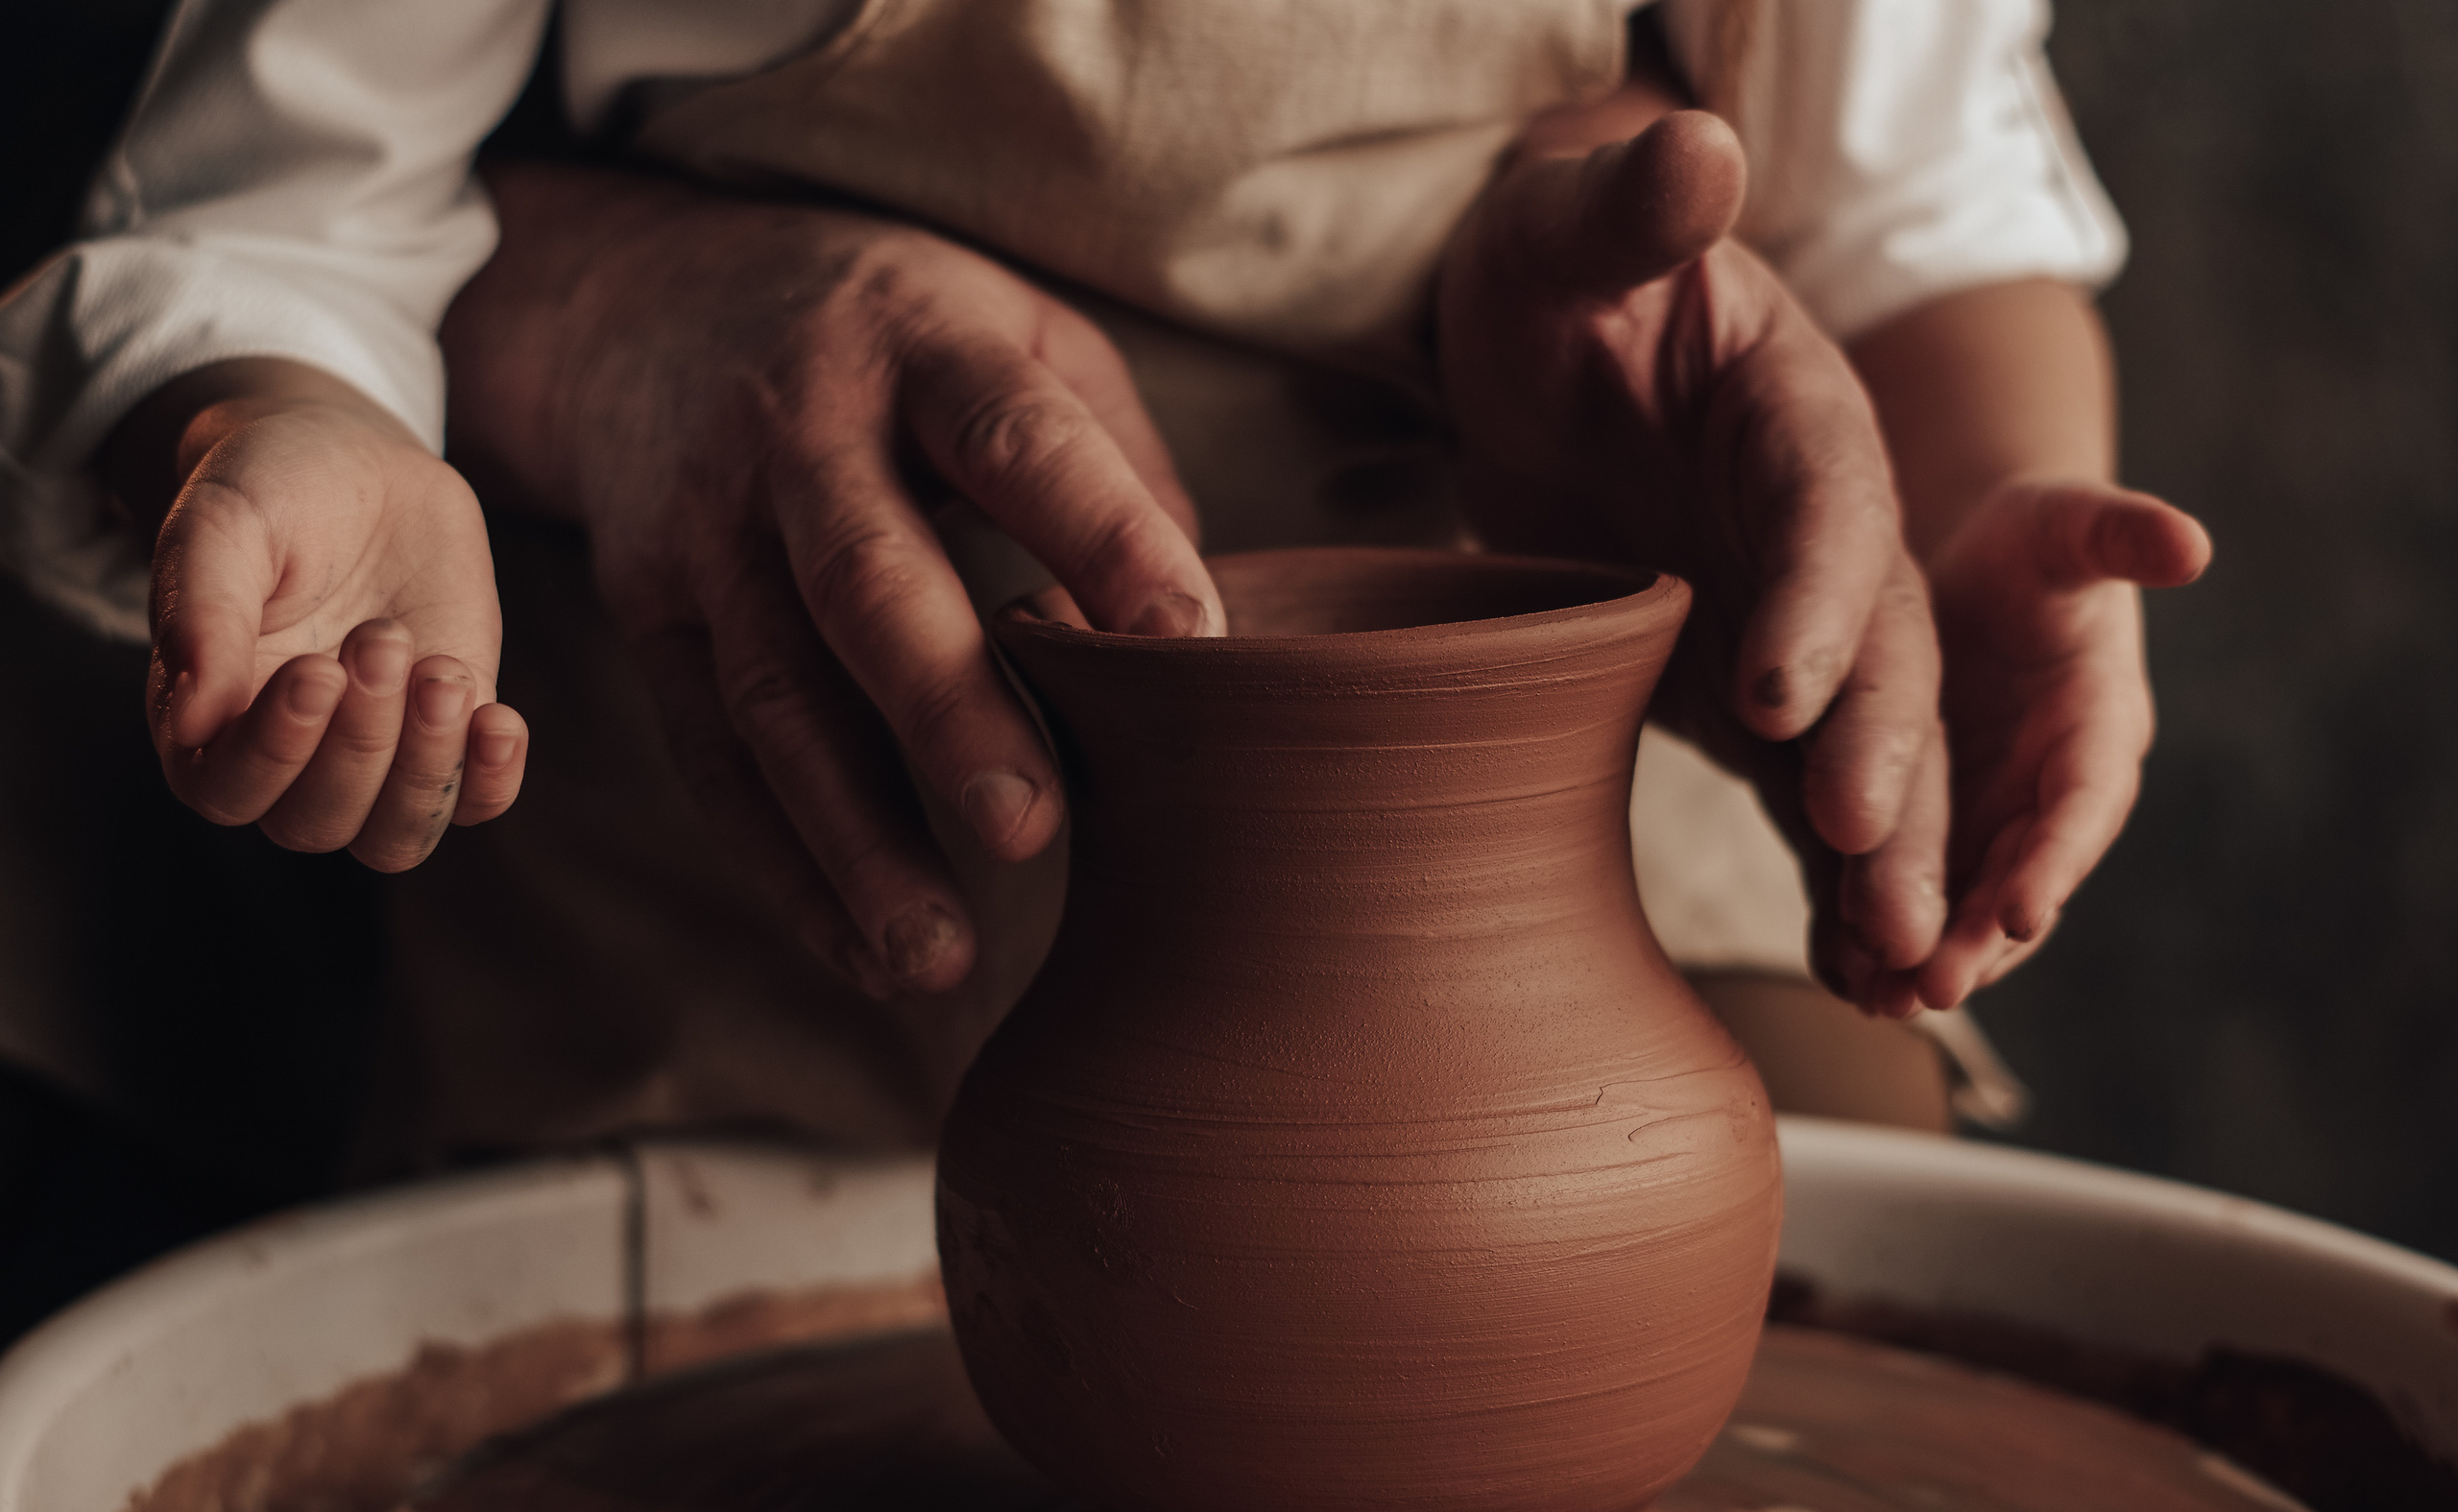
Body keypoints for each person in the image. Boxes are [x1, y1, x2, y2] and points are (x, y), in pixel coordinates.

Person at [0, 0, 2209, 1165]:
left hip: (1558, 823)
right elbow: (281, 207)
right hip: (749, 851)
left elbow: (1921, 213)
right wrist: (276, 415)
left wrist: (1982, 500)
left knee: (1799, 1232)